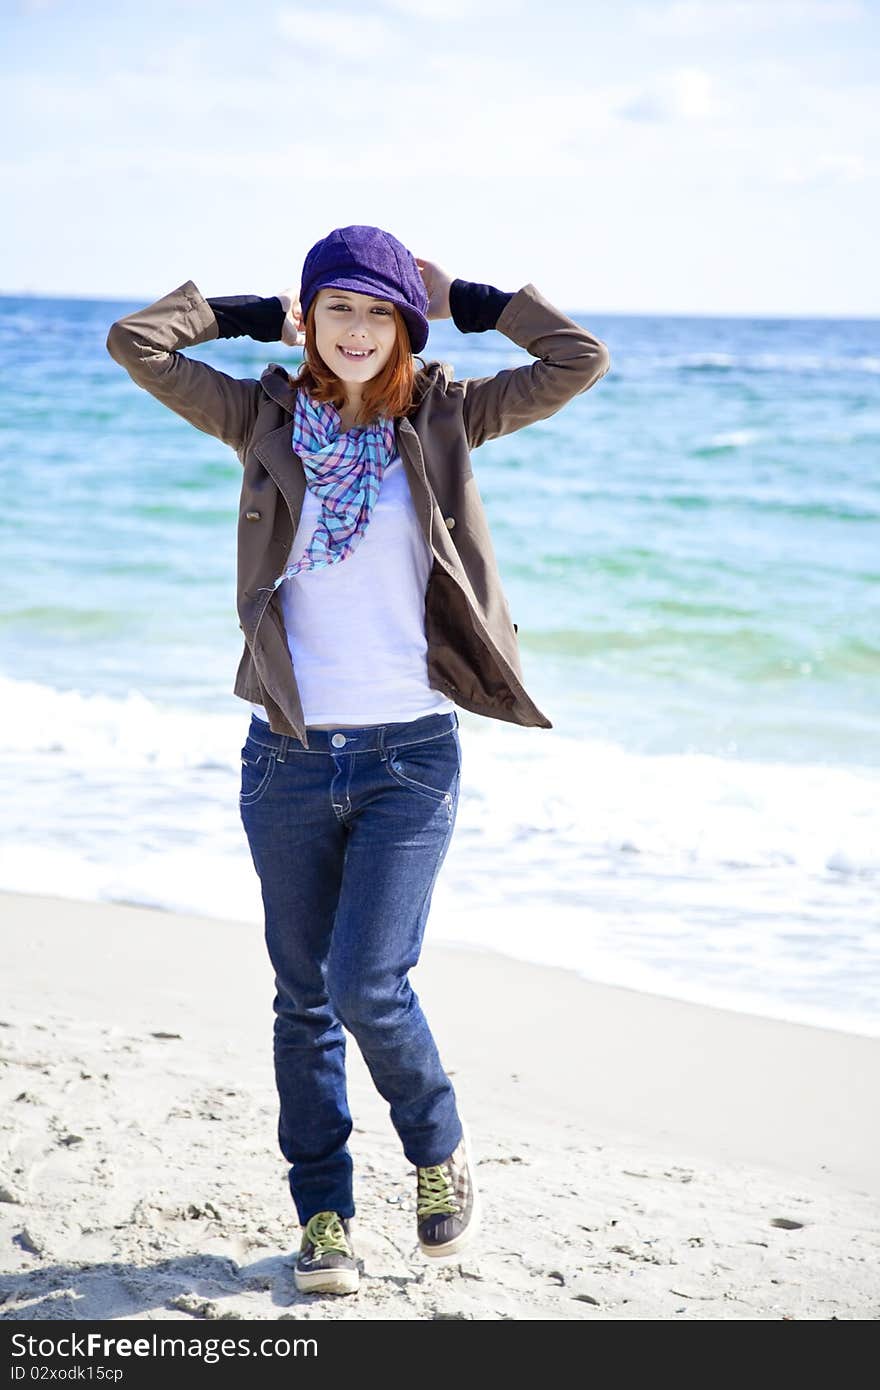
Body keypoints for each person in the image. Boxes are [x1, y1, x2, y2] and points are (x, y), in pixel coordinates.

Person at [105, 225, 610, 1296]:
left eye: (377, 310)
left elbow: (576, 360)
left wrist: (469, 295)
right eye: (334, 307)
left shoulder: (448, 414)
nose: (353, 329)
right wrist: (244, 315)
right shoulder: (262, 414)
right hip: (286, 757)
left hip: (410, 756)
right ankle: (324, 1215)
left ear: (404, 325)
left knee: (367, 984)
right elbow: (136, 344)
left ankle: (437, 1153)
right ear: (309, 317)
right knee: (302, 999)